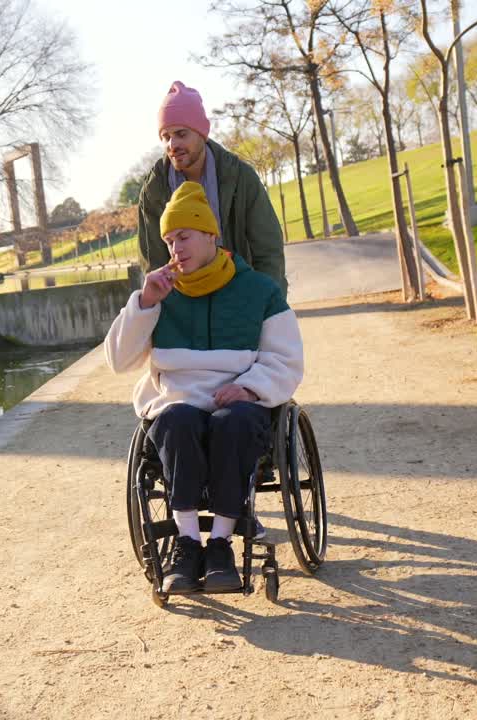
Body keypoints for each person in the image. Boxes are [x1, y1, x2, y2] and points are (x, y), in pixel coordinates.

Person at [106, 181, 304, 594]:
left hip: (241, 401)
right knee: (176, 420)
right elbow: (118, 361)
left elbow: (285, 360)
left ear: (211, 235)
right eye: (168, 240)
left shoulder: (260, 291)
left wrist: (250, 388)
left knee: (234, 423)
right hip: (177, 403)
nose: (175, 248)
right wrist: (144, 304)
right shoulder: (159, 292)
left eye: (184, 236)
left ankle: (220, 545)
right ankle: (187, 542)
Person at [137, 81, 288, 295]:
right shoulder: (153, 191)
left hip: (242, 297)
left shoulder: (240, 178)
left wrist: (268, 307)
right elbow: (154, 266)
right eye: (166, 137)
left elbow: (268, 251)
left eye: (181, 134)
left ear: (201, 133)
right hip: (187, 309)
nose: (172, 145)